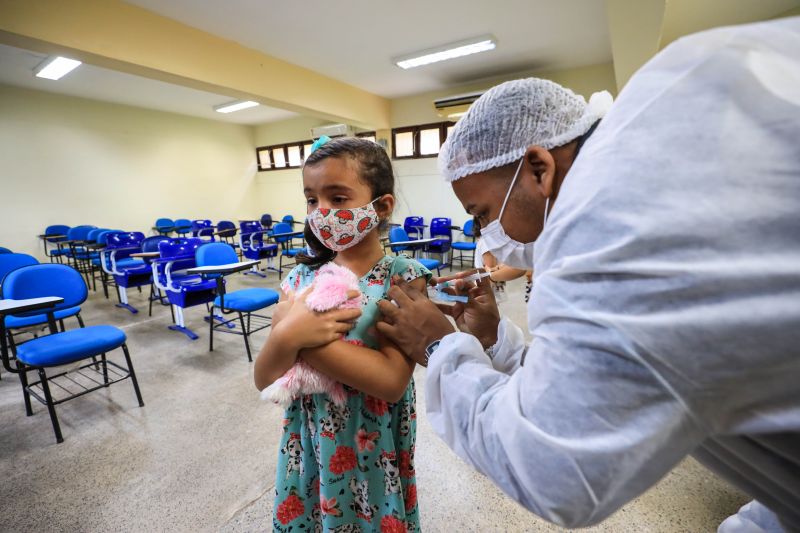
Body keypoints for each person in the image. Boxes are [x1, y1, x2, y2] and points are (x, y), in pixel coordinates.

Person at [375, 18, 800, 531]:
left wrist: (439, 348)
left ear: (538, 169)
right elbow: (597, 376)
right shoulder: (649, 133)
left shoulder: (603, 230)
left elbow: (553, 469)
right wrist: (494, 341)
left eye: (482, 212)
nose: (484, 233)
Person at [254, 137, 430, 532]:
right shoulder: (299, 278)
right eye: (312, 199)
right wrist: (283, 340)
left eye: (338, 197)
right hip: (309, 439)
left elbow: (389, 381)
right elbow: (265, 378)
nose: (322, 212)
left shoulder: (402, 278)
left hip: (373, 444)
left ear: (381, 206)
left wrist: (296, 333)